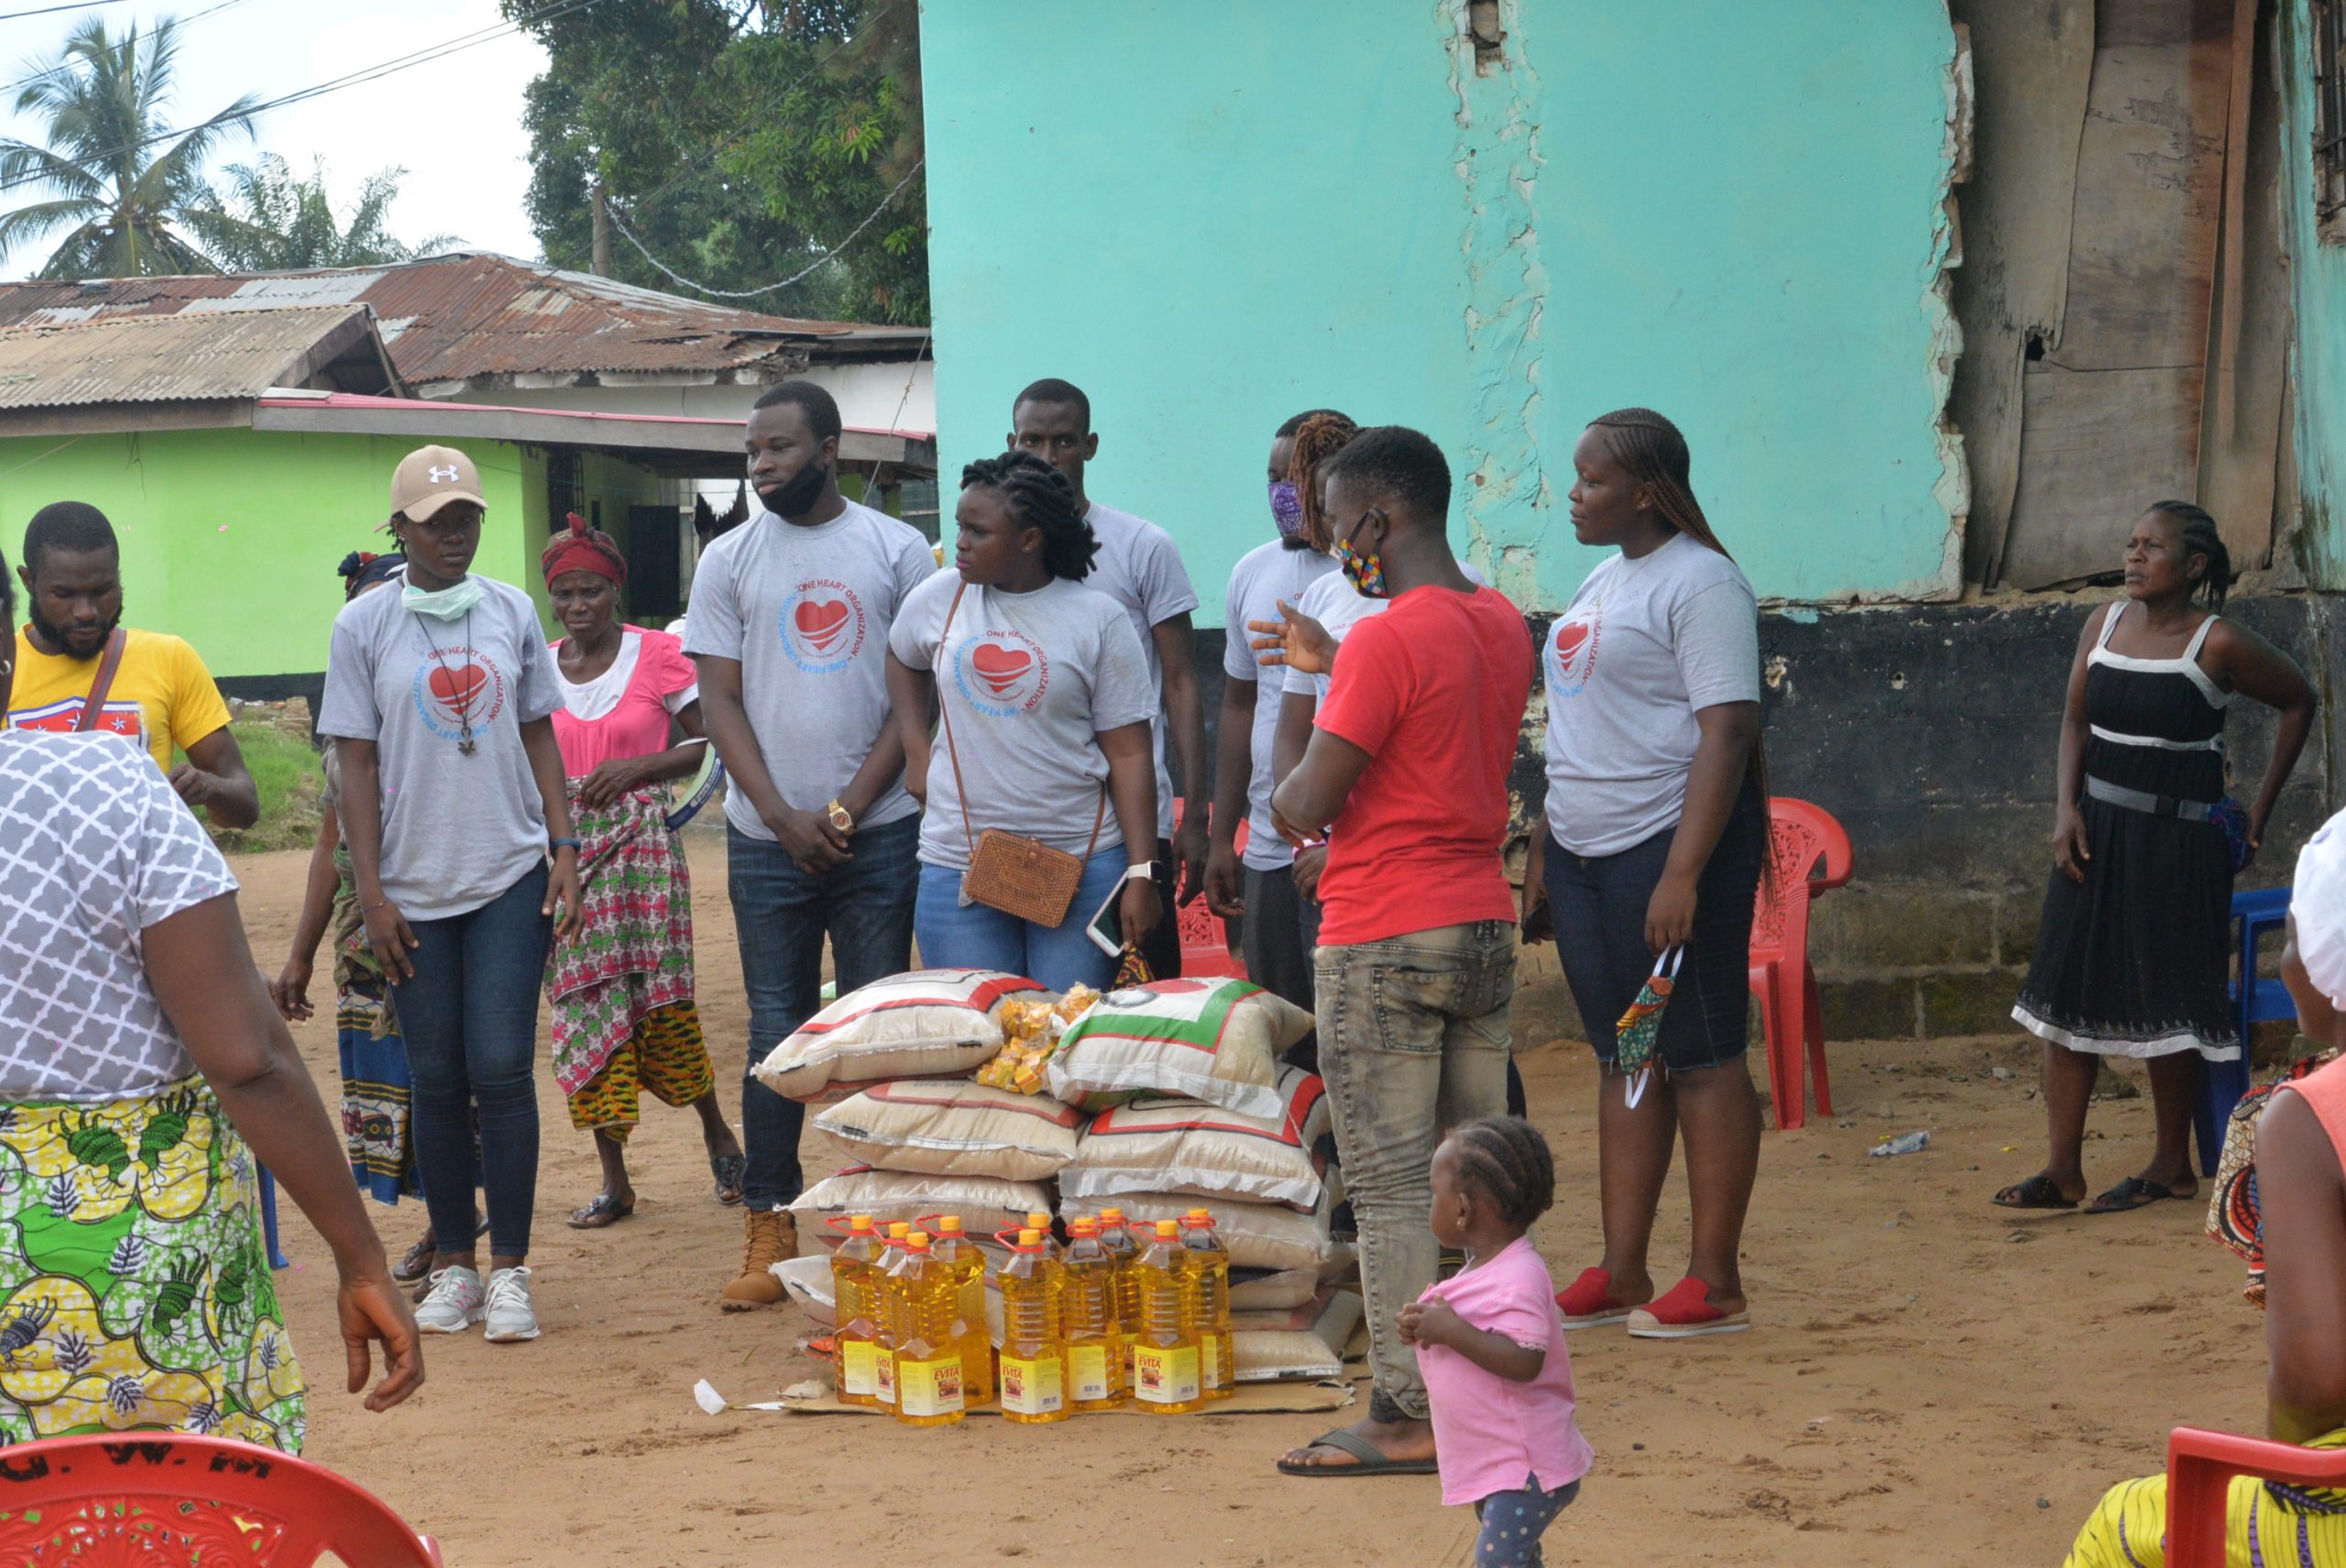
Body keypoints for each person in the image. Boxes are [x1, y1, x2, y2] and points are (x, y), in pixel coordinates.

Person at [0, 542, 422, 1449]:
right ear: (9, 640)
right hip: (145, 1266)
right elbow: (245, 1057)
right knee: (186, 1502)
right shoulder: (108, 783)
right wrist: (360, 1257)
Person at [1269, 425, 1532, 1477]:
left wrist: (1296, 735)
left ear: (1377, 521)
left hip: (1383, 928)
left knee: (1390, 1187)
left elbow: (1304, 802)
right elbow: (1438, 735)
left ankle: (1403, 1409)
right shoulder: (1500, 622)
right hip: (1480, 920)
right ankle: (1486, 1386)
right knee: (1479, 1178)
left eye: (1339, 525)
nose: (1336, 545)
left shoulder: (1384, 639)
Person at [319, 444, 583, 1344]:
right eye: (435, 522)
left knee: (501, 1066)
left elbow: (539, 733)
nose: (454, 534)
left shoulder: (510, 611)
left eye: (466, 516)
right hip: (411, 888)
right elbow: (355, 764)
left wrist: (564, 845)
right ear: (399, 529)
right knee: (435, 1076)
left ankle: (510, 1270)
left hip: (509, 871)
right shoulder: (363, 627)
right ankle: (457, 1267)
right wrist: (372, 892)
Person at [685, 381, 934, 1310]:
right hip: (764, 841)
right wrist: (781, 814)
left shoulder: (895, 549)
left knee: (874, 1034)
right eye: (753, 450)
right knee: (776, 1033)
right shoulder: (728, 559)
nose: (762, 465)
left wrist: (846, 809)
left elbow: (916, 699)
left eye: (780, 448)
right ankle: (769, 1220)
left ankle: (880, 1231)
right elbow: (719, 700)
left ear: (829, 449)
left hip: (880, 833)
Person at [1520, 409, 1768, 1340]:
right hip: (1583, 853)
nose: (1574, 494)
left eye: (1592, 480)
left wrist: (1683, 873)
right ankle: (1622, 1268)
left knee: (1699, 1056)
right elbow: (1585, 721)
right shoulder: (1605, 577)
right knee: (1623, 1056)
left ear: (1647, 491)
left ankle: (1715, 1280)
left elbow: (1728, 730)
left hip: (1664, 848)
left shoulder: (1704, 583)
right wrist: (1547, 840)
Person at [2001, 501, 2313, 1215]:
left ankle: (2172, 1165)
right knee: (2064, 995)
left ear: (2194, 565)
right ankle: (2061, 1171)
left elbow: (2299, 699)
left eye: (2152, 546)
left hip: (2179, 844)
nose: (2134, 556)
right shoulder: (2103, 624)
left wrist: (2259, 814)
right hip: (2094, 835)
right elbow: (2075, 720)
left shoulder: (2217, 642)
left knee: (2169, 1002)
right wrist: (2065, 808)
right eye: (2130, 543)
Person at [2063, 812, 2346, 1565]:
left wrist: (2290, 1473)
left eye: (2295, 938)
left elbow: (2315, 1384)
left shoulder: (2308, 1116)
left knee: (2119, 1523)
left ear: (2330, 962)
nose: (2284, 960)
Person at [886, 450, 1163, 992]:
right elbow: (900, 656)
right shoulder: (941, 597)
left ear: (1030, 539)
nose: (960, 543)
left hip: (1081, 864)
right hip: (959, 862)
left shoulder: (1097, 618)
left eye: (978, 532)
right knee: (975, 1027)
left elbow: (1131, 754)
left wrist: (1141, 874)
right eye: (959, 527)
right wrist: (916, 749)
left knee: (1063, 1028)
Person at [543, 514, 745, 1230]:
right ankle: (615, 1179)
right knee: (583, 1006)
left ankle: (718, 1133)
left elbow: (710, 739)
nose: (578, 606)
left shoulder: (658, 654)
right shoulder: (538, 665)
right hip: (565, 858)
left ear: (616, 591)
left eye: (591, 591)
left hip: (643, 856)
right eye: (565, 593)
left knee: (662, 1000)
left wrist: (637, 768)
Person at [270, 549, 446, 1289]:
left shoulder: (442, 715)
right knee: (389, 1083)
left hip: (436, 920)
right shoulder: (343, 737)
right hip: (361, 943)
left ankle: (457, 1234)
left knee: (444, 1076)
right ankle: (447, 1224)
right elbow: (328, 846)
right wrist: (301, 955)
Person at [1009, 378, 1206, 976]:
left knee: (1139, 994)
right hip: (1028, 822)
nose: (1048, 457)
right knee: (1031, 1000)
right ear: (1011, 444)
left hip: (1132, 824)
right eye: (1032, 441)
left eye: (1064, 441)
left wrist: (1195, 814)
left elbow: (1181, 683)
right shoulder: (999, 558)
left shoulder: (1141, 545)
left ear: (1090, 446)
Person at [1202, 410, 1348, 1031]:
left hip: (1348, 850)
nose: (1283, 495)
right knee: (1284, 1032)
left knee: (1346, 1031)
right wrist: (1222, 837)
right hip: (1269, 845)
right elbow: (1238, 707)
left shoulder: (1365, 578)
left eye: (1298, 478)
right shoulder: (1251, 571)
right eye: (1272, 478)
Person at [1399, 1117, 1593, 1566]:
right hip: (1496, 1459)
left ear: (1463, 1210)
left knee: (1497, 1559)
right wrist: (1425, 1327)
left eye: (1433, 1193)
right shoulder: (1484, 1266)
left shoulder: (1520, 1275)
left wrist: (1451, 1330)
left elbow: (1526, 1359)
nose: (1430, 1203)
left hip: (1525, 1464)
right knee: (1515, 1558)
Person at [10, 501, 258, 828]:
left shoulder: (169, 658)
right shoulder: (5, 667)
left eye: (102, 590)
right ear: (28, 581)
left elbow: (245, 809)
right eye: (64, 594)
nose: (86, 612)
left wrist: (210, 787)